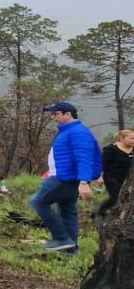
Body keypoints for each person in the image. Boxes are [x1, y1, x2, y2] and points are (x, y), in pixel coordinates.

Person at [30, 101, 102, 253]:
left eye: (56, 114)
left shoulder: (78, 132)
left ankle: (61, 238)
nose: (53, 118)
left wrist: (84, 181)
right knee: (67, 210)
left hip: (66, 178)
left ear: (68, 114)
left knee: (38, 201)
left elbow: (84, 157)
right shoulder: (68, 131)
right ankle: (70, 248)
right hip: (67, 177)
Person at [96, 129, 134, 217]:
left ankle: (122, 214)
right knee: (115, 197)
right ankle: (101, 212)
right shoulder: (110, 149)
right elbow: (102, 163)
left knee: (127, 198)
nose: (133, 141)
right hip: (112, 177)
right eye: (131, 138)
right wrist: (99, 177)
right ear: (122, 138)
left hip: (127, 178)